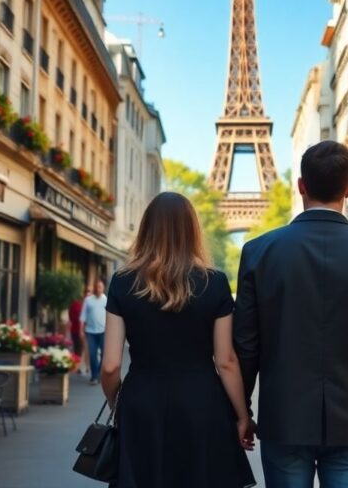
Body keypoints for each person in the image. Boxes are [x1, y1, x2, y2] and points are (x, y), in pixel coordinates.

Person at [234, 140, 348, 488]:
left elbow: (245, 344)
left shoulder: (258, 253)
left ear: (301, 186)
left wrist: (241, 411)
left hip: (284, 419)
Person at [101, 192, 255, 488]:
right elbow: (226, 361)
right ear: (192, 230)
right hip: (202, 402)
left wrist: (118, 404)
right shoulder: (215, 282)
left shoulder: (122, 282)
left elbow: (110, 366)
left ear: (146, 229)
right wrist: (242, 415)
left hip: (141, 401)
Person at [81, 279, 107, 384]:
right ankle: (94, 376)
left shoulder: (106, 300)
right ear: (94, 288)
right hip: (90, 331)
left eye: (100, 287)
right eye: (96, 287)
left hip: (103, 331)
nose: (98, 289)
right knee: (92, 354)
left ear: (103, 288)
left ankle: (100, 373)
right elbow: (83, 316)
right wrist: (80, 330)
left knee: (104, 354)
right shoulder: (88, 300)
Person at [68, 286, 87, 375]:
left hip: (76, 330)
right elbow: (79, 319)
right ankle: (78, 367)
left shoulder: (75, 305)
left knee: (78, 349)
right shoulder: (79, 306)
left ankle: (77, 366)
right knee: (80, 349)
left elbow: (71, 316)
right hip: (80, 331)